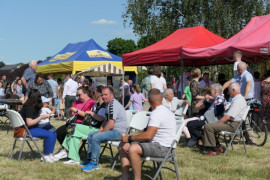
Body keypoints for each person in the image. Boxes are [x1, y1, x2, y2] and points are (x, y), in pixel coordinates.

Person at [119, 88, 176, 180]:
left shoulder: (157, 113)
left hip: (164, 148)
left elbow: (148, 135)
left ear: (148, 100)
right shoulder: (164, 110)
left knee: (133, 149)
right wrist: (130, 136)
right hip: (159, 144)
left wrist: (129, 138)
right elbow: (147, 133)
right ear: (162, 98)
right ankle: (125, 177)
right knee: (123, 145)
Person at [54, 85, 106, 165]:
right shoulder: (97, 105)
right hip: (90, 126)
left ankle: (65, 151)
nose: (93, 94)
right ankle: (74, 158)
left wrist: (91, 114)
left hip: (98, 130)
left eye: (94, 92)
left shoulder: (104, 105)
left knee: (73, 128)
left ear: (99, 94)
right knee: (73, 134)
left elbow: (101, 118)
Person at [81, 86, 127, 172]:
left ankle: (94, 163)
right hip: (113, 130)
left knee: (96, 137)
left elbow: (110, 124)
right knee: (91, 134)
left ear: (112, 95)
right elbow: (105, 121)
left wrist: (100, 133)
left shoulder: (113, 105)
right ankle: (90, 159)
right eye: (102, 95)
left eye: (106, 94)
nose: (103, 96)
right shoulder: (108, 104)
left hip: (118, 132)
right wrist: (99, 131)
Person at [203, 83, 248, 156]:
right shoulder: (239, 99)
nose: (228, 92)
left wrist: (217, 124)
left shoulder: (238, 101)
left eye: (229, 90)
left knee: (209, 126)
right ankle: (218, 147)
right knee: (210, 126)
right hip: (232, 124)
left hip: (233, 125)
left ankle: (213, 149)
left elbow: (228, 117)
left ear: (233, 90)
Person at [20, 89, 57, 163]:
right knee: (49, 134)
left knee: (54, 132)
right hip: (26, 130)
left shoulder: (32, 105)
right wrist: (41, 117)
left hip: (32, 128)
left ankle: (49, 153)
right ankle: (45, 155)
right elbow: (29, 123)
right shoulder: (29, 107)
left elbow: (43, 106)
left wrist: (50, 108)